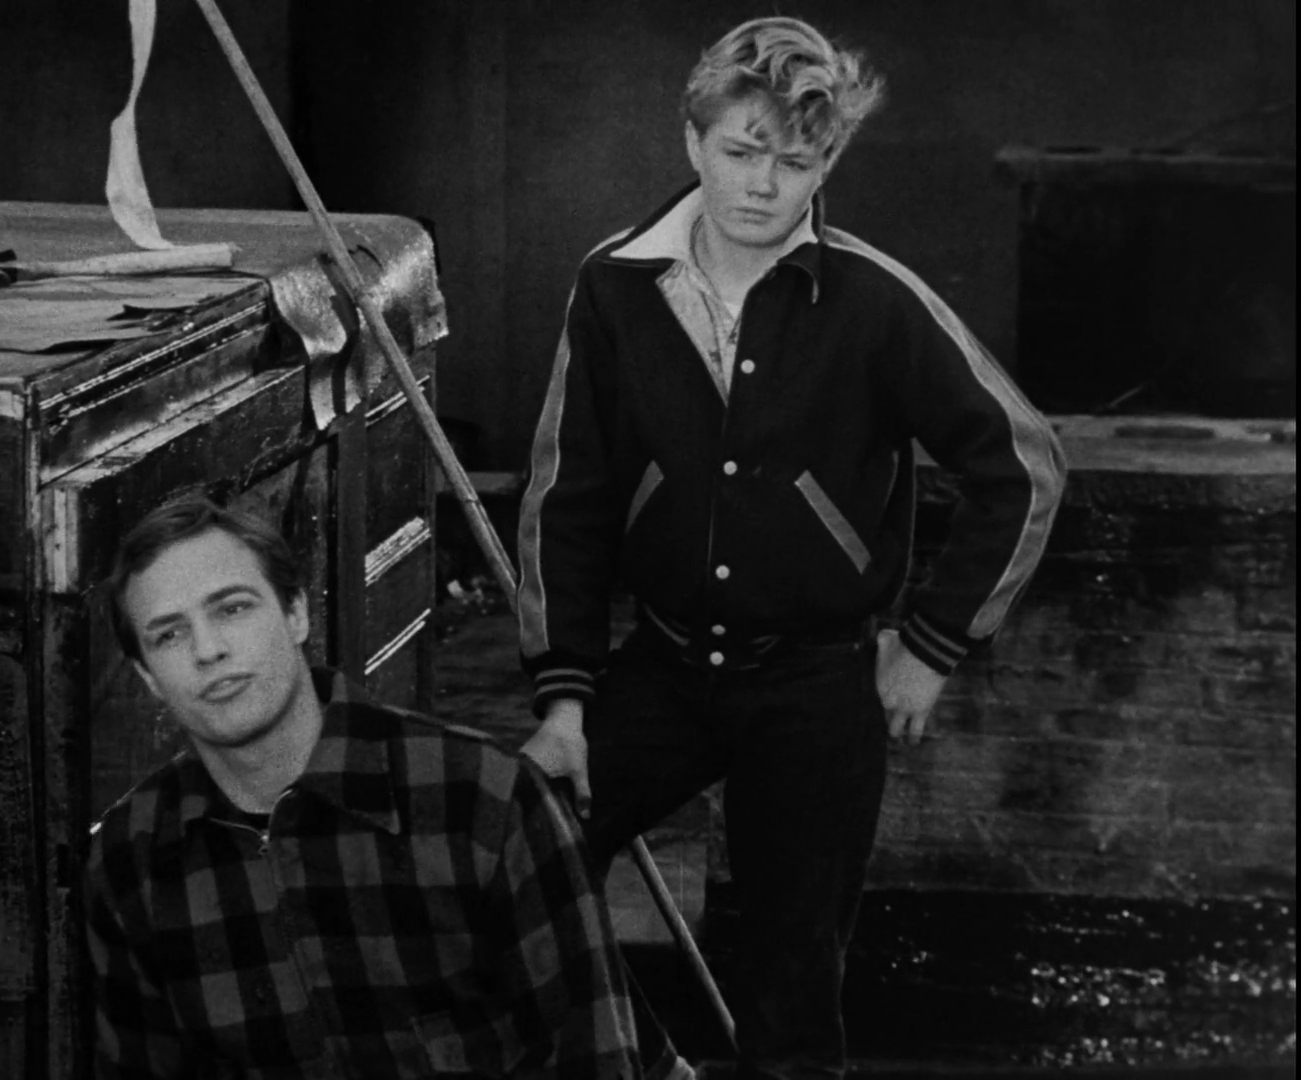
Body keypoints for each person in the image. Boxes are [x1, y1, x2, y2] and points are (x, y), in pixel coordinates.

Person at [516, 16, 1067, 1079]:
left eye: (797, 162)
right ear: (693, 140)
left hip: (817, 690)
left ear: (828, 164)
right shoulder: (613, 284)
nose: (763, 185)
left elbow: (1026, 466)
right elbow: (564, 496)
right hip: (662, 668)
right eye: (740, 150)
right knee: (514, 852)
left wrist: (931, 645)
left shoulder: (874, 299)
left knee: (791, 1002)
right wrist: (565, 697)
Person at [85, 494, 649, 1079]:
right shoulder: (133, 859)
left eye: (232, 608)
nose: (209, 650)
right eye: (169, 635)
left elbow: (595, 1056)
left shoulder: (484, 795)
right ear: (148, 677)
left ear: (296, 613)